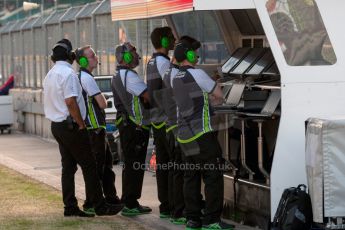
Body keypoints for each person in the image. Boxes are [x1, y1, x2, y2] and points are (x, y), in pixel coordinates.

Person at [43, 39, 123, 217]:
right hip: (71, 125)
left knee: (68, 167)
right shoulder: (68, 74)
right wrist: (80, 123)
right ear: (71, 56)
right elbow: (70, 101)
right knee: (90, 166)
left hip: (57, 126)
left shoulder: (50, 74)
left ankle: (70, 206)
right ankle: (100, 206)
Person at [172, 41, 235, 230]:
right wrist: (217, 84)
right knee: (212, 176)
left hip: (184, 135)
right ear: (189, 56)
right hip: (202, 134)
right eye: (194, 53)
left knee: (190, 177)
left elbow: (196, 98)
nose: (196, 55)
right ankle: (212, 220)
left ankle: (193, 219)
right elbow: (219, 94)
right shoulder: (197, 73)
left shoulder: (176, 76)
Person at [75, 45, 122, 214]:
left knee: (107, 165)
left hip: (98, 128)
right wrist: (103, 97)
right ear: (82, 60)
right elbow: (102, 103)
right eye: (92, 55)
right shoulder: (86, 78)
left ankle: (110, 197)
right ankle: (91, 203)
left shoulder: (85, 76)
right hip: (94, 129)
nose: (96, 57)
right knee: (97, 168)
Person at [111, 42, 152, 216]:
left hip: (127, 125)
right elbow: (147, 96)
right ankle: (130, 202)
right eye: (133, 53)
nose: (137, 55)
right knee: (135, 164)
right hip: (135, 126)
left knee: (130, 164)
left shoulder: (118, 75)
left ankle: (129, 200)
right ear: (125, 57)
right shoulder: (130, 76)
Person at [146, 26, 176, 218]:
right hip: (166, 121)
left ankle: (165, 205)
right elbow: (175, 86)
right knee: (172, 165)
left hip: (157, 120)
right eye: (171, 38)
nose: (174, 41)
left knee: (164, 165)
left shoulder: (151, 62)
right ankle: (173, 205)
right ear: (164, 42)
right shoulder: (163, 63)